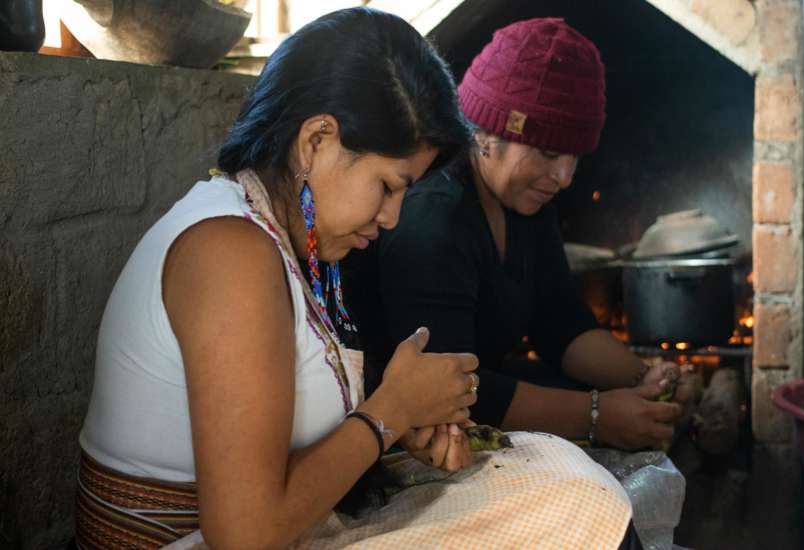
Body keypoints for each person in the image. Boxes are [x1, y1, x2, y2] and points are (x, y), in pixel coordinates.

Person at [74, 8, 635, 549]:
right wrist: (389, 413)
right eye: (388, 186)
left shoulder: (281, 240)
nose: (392, 217)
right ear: (316, 141)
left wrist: (400, 426)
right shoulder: (230, 255)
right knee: (577, 505)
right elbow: (244, 533)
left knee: (561, 482)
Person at [350, 17, 694, 452]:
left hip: (476, 399)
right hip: (411, 434)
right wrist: (597, 417)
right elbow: (445, 386)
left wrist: (644, 378)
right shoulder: (432, 215)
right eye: (548, 153)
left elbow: (562, 324)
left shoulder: (526, 202)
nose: (565, 177)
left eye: (574, 157)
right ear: (485, 134)